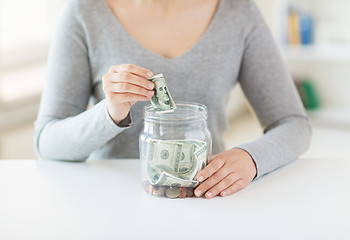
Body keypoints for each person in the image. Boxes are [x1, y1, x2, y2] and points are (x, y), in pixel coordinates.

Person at [34, 0, 312, 199]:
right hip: (111, 202)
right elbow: (46, 142)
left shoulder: (239, 11)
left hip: (208, 195)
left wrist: (250, 159)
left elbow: (294, 124)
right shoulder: (84, 11)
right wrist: (109, 113)